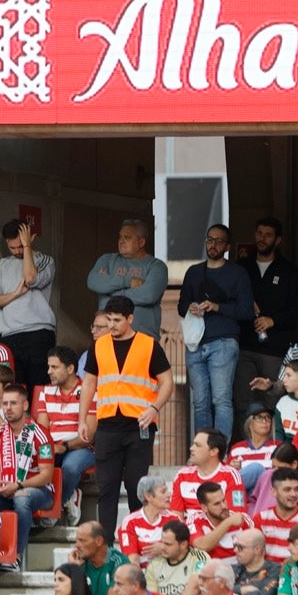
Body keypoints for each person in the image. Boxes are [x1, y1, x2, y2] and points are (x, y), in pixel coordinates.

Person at [80, 296, 174, 533]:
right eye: (108, 320)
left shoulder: (149, 345)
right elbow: (89, 383)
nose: (111, 325)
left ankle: (137, 536)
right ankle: (106, 543)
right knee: (107, 488)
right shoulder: (99, 345)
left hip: (138, 426)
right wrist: (82, 419)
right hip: (108, 425)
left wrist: (154, 408)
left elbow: (167, 382)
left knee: (136, 486)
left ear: (130, 319)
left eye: (117, 320)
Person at [178, 223, 254, 436]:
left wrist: (217, 307)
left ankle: (220, 452)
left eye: (219, 241)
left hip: (224, 341)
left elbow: (246, 311)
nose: (213, 244)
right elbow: (181, 305)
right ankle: (203, 449)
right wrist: (191, 307)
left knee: (221, 399)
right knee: (200, 401)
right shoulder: (193, 272)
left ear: (227, 246)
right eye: (209, 240)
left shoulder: (237, 273)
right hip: (196, 342)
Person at [0, 220, 57, 393]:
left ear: (30, 239)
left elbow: (30, 277)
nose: (17, 251)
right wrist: (15, 293)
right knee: (14, 389)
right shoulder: (1, 265)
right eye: (12, 247)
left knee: (39, 388)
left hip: (39, 333)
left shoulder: (45, 260)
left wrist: (27, 247)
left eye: (20, 246)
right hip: (10, 335)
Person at [86, 219, 167, 339]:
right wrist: (127, 281)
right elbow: (93, 282)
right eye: (120, 237)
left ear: (141, 242)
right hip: (108, 337)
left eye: (127, 238)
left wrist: (110, 293)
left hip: (142, 337)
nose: (121, 241)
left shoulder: (156, 266)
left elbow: (149, 295)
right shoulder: (107, 260)